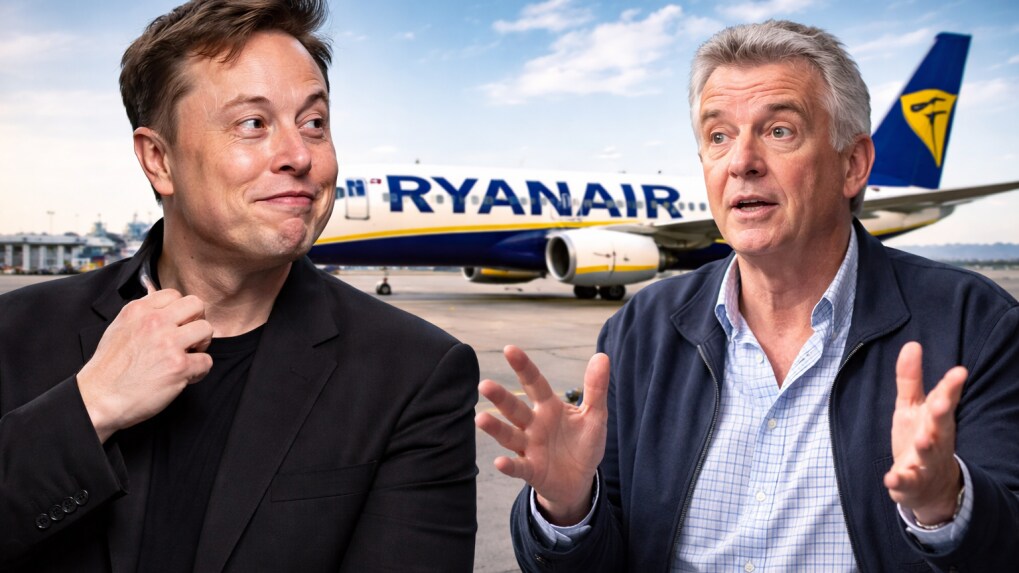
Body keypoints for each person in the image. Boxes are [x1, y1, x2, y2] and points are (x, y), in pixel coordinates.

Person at [477, 20, 1019, 572]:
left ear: (852, 164)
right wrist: (568, 508)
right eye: (719, 136)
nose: (741, 161)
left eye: (780, 130)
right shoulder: (642, 329)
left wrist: (946, 507)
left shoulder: (974, 325)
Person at [0, 1, 478, 571]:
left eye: (314, 123)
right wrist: (90, 407)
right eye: (253, 123)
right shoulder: (14, 334)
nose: (299, 155)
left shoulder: (415, 373)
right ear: (159, 160)